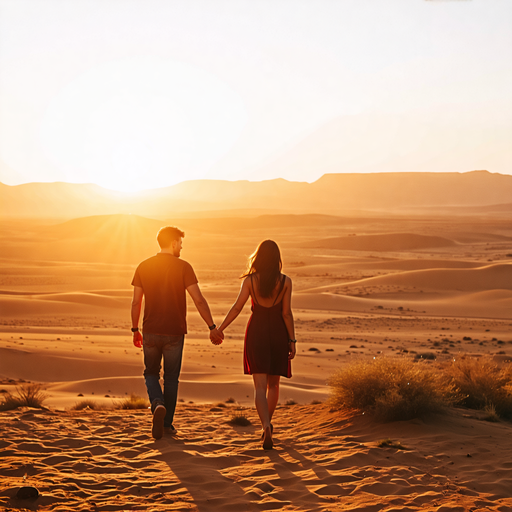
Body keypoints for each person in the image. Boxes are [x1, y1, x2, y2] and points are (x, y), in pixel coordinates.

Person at [131, 226, 223, 440]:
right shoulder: (184, 267)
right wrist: (212, 327)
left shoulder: (143, 266)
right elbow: (198, 299)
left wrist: (135, 329)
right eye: (180, 242)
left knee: (151, 373)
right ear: (173, 242)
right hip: (174, 332)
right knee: (171, 379)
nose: (181, 246)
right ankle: (166, 424)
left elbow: (136, 302)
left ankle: (156, 403)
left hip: (151, 330)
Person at [218, 240, 296, 450]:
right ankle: (267, 426)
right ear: (277, 258)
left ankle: (265, 425)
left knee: (259, 387)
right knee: (274, 385)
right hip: (279, 333)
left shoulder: (250, 281)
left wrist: (221, 328)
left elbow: (236, 308)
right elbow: (286, 313)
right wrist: (292, 340)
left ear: (259, 257)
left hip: (257, 333)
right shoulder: (286, 281)